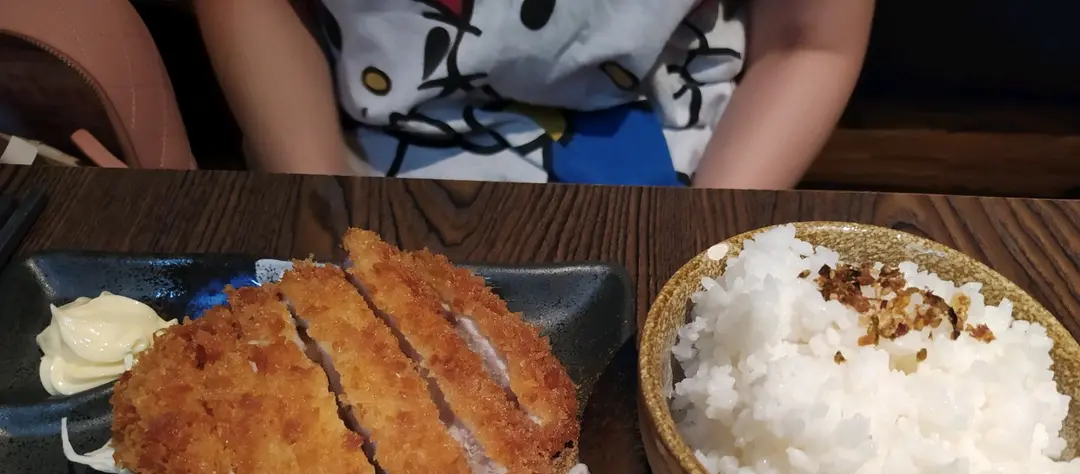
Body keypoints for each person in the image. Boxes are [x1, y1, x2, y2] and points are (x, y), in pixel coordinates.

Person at [193, 0, 873, 189]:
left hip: (685, 148)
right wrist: (316, 201)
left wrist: (706, 248)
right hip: (350, 145)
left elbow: (807, 43)